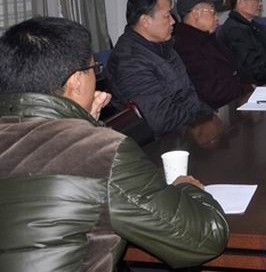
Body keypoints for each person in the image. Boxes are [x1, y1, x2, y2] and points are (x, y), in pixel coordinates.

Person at [0, 17, 229, 271]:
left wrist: (84, 124)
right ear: (76, 81)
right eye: (94, 69)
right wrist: (186, 188)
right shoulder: (100, 151)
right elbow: (205, 238)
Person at [109, 0, 213, 136]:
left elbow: (188, 94)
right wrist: (200, 122)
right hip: (164, 142)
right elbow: (162, 119)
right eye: (167, 16)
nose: (173, 21)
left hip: (188, 129)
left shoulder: (164, 46)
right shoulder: (129, 61)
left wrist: (208, 115)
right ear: (145, 21)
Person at [174, 0, 255, 108]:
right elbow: (211, 91)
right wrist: (247, 89)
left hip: (237, 101)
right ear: (196, 13)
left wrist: (251, 86)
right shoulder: (185, 46)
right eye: (213, 12)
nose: (217, 18)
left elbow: (237, 69)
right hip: (218, 110)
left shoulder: (207, 38)